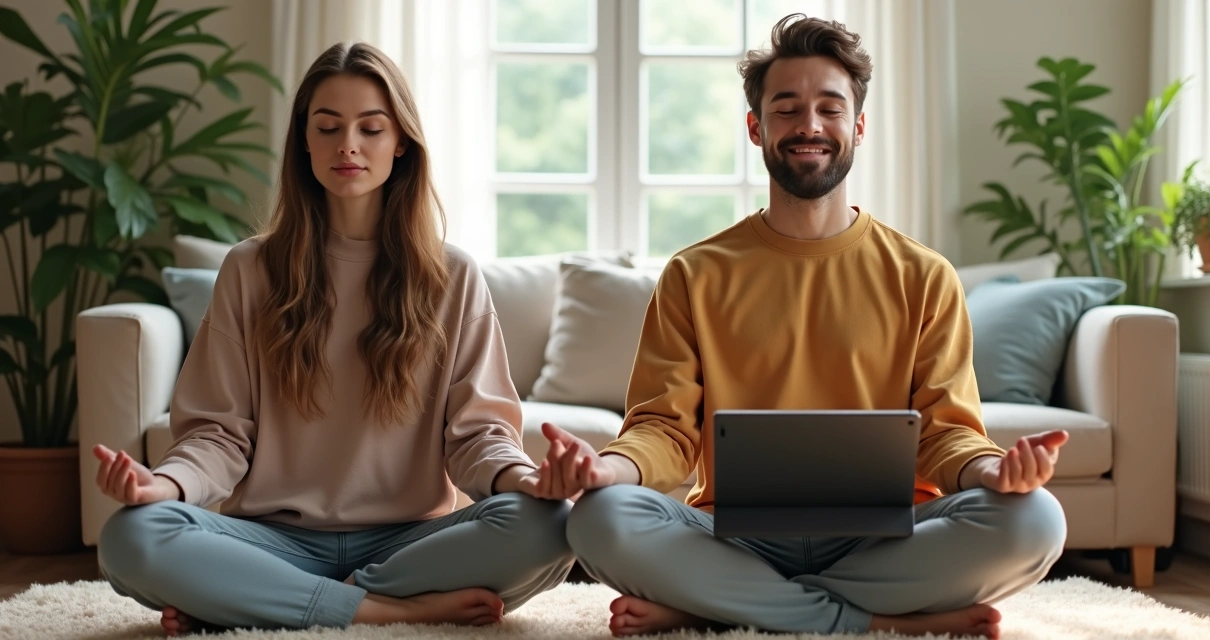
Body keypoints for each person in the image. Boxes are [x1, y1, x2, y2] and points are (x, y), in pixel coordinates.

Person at [530, 14, 1069, 640]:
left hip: (888, 538)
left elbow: (946, 434)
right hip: (734, 538)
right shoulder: (695, 273)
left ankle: (719, 608)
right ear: (756, 127)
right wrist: (607, 469)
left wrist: (993, 473)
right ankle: (873, 619)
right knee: (599, 517)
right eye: (786, 109)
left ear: (858, 127)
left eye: (829, 109)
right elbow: (664, 431)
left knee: (1036, 520)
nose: (809, 125)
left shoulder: (924, 275)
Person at [93, 41, 574, 637]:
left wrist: (529, 481)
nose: (348, 144)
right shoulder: (249, 269)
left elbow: (479, 435)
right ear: (304, 140)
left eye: (371, 128)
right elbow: (218, 433)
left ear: (401, 142)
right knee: (131, 535)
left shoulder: (453, 276)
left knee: (552, 524)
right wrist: (161, 484)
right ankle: (388, 610)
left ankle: (257, 601)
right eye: (328, 127)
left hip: (409, 543)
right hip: (272, 541)